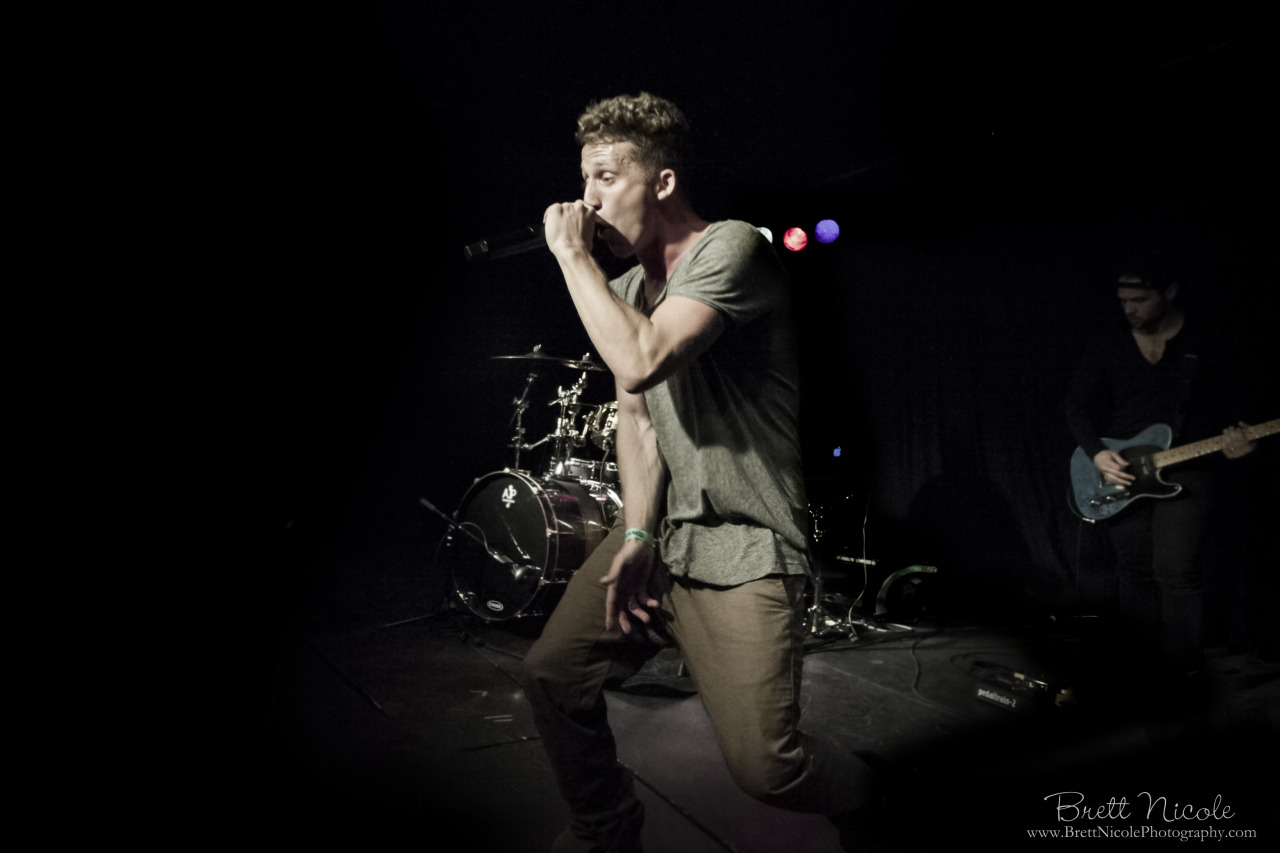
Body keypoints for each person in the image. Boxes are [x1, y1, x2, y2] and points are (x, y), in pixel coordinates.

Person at [520, 92, 873, 852]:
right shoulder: (624, 290)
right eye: (583, 181)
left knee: (769, 769)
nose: (588, 201)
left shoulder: (733, 247)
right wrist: (637, 533)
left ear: (664, 182)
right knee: (553, 675)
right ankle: (605, 826)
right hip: (665, 536)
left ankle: (881, 799)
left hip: (743, 542)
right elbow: (639, 422)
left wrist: (572, 256)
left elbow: (642, 359)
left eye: (606, 177)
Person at [1065, 259, 1257, 692]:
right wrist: (1098, 454)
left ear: (1169, 292)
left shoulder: (1205, 340)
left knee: (1175, 570)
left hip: (1189, 468)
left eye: (1139, 299)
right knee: (1133, 571)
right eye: (1123, 300)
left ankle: (1183, 673)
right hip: (1124, 470)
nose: (1129, 309)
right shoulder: (1108, 342)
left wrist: (1241, 439)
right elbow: (1075, 406)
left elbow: (1237, 407)